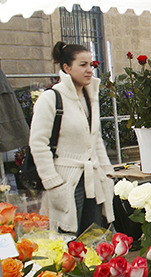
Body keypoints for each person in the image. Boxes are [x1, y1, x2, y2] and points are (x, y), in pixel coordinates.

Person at [30, 41, 115, 235]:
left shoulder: (89, 97)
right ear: (66, 68)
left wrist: (108, 172)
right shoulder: (51, 98)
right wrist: (53, 182)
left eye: (91, 65)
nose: (89, 70)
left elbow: (96, 139)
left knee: (93, 238)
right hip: (66, 180)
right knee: (66, 239)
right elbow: (38, 143)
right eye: (83, 64)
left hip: (93, 179)